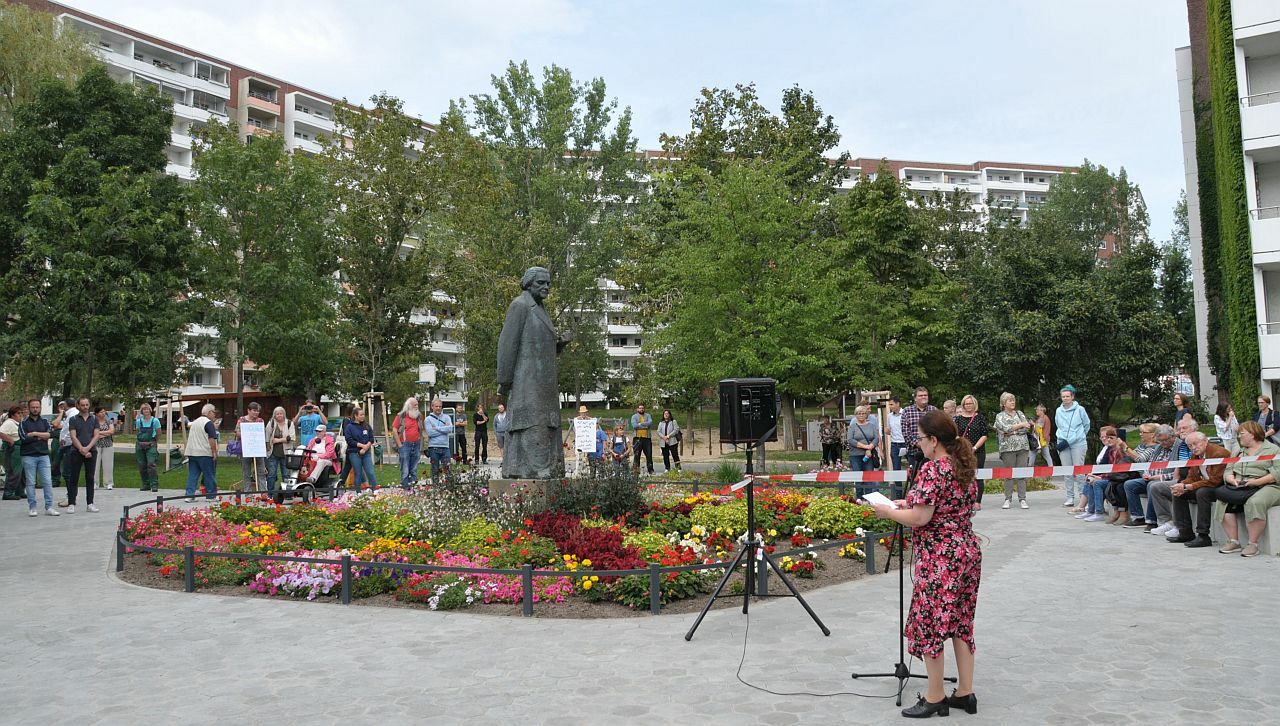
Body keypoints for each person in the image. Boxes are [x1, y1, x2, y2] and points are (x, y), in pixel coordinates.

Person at [870, 410, 981, 719]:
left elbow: (921, 518)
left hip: (940, 558)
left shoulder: (933, 469)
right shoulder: (963, 465)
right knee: (961, 623)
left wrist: (888, 511)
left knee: (930, 624)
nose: (917, 444)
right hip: (967, 552)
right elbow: (946, 505)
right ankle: (965, 693)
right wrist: (909, 504)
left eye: (919, 439)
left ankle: (934, 697)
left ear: (934, 440)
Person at [496, 266, 570, 479]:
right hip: (526, 381)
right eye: (541, 283)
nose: (546, 287)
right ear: (528, 284)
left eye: (548, 283)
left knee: (547, 423)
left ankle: (548, 467)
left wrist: (559, 344)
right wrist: (505, 380)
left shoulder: (541, 308)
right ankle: (533, 469)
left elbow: (538, 344)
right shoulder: (520, 306)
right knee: (532, 424)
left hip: (544, 381)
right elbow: (507, 346)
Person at [1217, 420, 1280, 557]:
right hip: (1241, 485)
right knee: (1223, 500)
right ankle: (1234, 541)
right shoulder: (1238, 451)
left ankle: (1253, 544)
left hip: (1268, 485)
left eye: (1242, 434)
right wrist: (1231, 479)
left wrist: (1257, 481)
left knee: (1255, 502)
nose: (1239, 437)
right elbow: (1228, 471)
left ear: (1252, 434)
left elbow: (1277, 473)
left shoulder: (1274, 449)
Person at [1166, 432, 1229, 548]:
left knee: (1202, 492)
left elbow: (1215, 481)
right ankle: (1185, 532)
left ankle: (1203, 535)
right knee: (1178, 493)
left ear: (1205, 441)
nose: (1193, 448)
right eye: (1190, 446)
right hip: (1204, 484)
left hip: (1219, 487)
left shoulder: (1219, 453)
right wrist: (1182, 485)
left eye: (1196, 444)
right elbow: (1192, 477)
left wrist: (1189, 486)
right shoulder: (1195, 456)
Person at [1146, 418, 1199, 538]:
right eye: (1179, 429)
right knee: (1156, 487)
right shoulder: (1183, 446)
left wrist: (1175, 480)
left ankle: (1178, 526)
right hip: (1182, 479)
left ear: (1194, 428)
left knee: (1174, 487)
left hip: (1195, 481)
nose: (1181, 431)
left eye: (1184, 428)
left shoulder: (1196, 443)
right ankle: (1166, 522)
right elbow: (1178, 467)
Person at [1079, 426, 1129, 522]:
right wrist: (1096, 475)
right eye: (1107, 437)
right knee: (1090, 480)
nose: (1108, 440)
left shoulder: (1121, 452)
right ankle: (1090, 510)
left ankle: (1099, 512)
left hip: (1118, 478)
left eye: (1111, 438)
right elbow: (1106, 468)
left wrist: (1100, 477)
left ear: (1118, 439)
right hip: (1110, 476)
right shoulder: (1110, 451)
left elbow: (1118, 472)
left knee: (1096, 483)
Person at [18, 399, 59, 516]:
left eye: (37, 407)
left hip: (43, 455)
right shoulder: (23, 423)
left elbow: (52, 434)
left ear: (40, 408)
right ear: (29, 408)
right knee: (31, 482)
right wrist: (42, 436)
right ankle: (32, 507)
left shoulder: (45, 421)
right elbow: (24, 438)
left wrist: (34, 433)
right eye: (33, 407)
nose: (35, 409)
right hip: (28, 456)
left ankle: (49, 507)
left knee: (47, 481)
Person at [1115, 423, 1160, 527]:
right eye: (1140, 432)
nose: (1140, 434)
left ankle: (1148, 519)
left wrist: (1125, 446)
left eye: (1143, 432)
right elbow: (1130, 456)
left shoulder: (1154, 447)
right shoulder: (1142, 446)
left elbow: (1139, 459)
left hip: (1152, 477)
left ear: (1152, 435)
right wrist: (1121, 448)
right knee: (1123, 484)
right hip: (1142, 476)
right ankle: (1137, 517)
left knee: (1135, 485)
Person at [993, 392, 1032, 510]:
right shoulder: (999, 416)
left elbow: (1026, 428)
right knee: (1008, 474)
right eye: (1010, 400)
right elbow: (1005, 429)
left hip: (1023, 447)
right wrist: (1019, 426)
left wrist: (1013, 430)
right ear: (1004, 403)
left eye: (1013, 400)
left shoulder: (1020, 413)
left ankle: (1022, 499)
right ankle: (1007, 499)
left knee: (1021, 474)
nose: (1012, 402)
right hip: (1007, 448)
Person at [1054, 385, 1091, 509]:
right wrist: (1062, 438)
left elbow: (1086, 425)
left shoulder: (1080, 409)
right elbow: (1058, 424)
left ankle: (1082, 497)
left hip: (1078, 443)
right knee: (1067, 471)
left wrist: (1078, 436)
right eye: (1063, 396)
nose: (1065, 398)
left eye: (1067, 396)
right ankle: (1070, 497)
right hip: (1063, 443)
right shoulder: (1058, 410)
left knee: (1079, 471)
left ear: (1072, 397)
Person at [64, 396, 100, 513]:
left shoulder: (94, 419)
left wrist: (88, 448)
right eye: (82, 405)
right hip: (76, 451)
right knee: (73, 478)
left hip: (91, 451)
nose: (85, 407)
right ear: (78, 406)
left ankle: (90, 503)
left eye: (87, 405)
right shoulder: (73, 419)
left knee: (90, 478)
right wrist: (81, 449)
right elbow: (73, 436)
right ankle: (71, 503)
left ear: (89, 405)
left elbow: (96, 435)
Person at [954, 395, 989, 508]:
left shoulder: (980, 418)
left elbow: (984, 435)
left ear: (974, 404)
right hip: (962, 451)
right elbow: (955, 435)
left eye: (970, 403)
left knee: (978, 475)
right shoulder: (958, 419)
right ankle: (964, 499)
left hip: (978, 451)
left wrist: (974, 448)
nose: (968, 406)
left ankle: (977, 501)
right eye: (966, 404)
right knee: (963, 475)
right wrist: (963, 446)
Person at [183, 403, 219, 503]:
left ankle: (189, 495)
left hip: (192, 452)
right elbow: (211, 438)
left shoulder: (194, 422)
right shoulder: (208, 423)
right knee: (209, 474)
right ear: (209, 412)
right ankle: (211, 495)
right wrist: (214, 451)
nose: (214, 415)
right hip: (204, 453)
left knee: (193, 475)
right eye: (214, 412)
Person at [901, 387, 937, 474]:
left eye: (925, 395)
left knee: (932, 477)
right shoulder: (907, 411)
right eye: (920, 395)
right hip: (914, 453)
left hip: (932, 452)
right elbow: (905, 432)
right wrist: (918, 444)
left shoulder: (934, 410)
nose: (923, 397)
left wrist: (929, 444)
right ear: (915, 398)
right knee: (915, 479)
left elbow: (938, 429)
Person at [235, 402, 267, 491]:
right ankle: (247, 492)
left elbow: (262, 433)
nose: (256, 413)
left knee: (261, 472)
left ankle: (263, 492)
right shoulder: (242, 420)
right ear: (248, 410)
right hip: (246, 449)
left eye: (258, 411)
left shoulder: (260, 421)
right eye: (254, 411)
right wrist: (247, 435)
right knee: (246, 472)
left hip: (258, 449)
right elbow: (237, 433)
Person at [392, 397, 424, 488]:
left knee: (414, 468)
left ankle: (413, 487)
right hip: (405, 444)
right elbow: (394, 430)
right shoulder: (401, 416)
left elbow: (421, 430)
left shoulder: (419, 416)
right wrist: (400, 445)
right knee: (405, 468)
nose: (417, 407)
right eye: (415, 405)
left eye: (417, 405)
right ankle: (405, 487)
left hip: (416, 444)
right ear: (409, 406)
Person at [846, 405, 881, 483]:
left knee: (869, 479)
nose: (861, 415)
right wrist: (866, 447)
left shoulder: (872, 426)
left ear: (866, 415)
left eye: (863, 413)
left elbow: (876, 439)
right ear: (855, 415)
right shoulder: (852, 427)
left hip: (869, 456)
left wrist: (870, 448)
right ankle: (859, 495)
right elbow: (850, 440)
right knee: (858, 480)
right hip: (855, 455)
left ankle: (868, 495)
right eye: (859, 413)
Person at [264, 407, 294, 494]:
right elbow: (267, 436)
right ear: (275, 415)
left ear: (284, 414)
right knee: (271, 475)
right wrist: (267, 445)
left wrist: (277, 440)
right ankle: (270, 493)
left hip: (286, 453)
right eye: (277, 414)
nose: (279, 415)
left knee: (286, 475)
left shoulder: (289, 423)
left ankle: (287, 493)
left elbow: (291, 438)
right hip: (273, 453)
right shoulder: (271, 423)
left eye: (281, 413)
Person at [135, 402, 162, 493]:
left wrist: (154, 442)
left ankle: (154, 484)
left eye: (147, 409)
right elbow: (138, 432)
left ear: (150, 410)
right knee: (142, 465)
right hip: (140, 445)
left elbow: (159, 433)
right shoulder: (139, 421)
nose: (146, 411)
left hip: (151, 444)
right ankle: (145, 484)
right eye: (144, 409)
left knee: (151, 464)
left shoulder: (155, 421)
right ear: (142, 411)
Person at [424, 399, 453, 479]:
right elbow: (430, 433)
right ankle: (435, 488)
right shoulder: (428, 419)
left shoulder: (446, 417)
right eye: (436, 406)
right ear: (432, 407)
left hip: (445, 447)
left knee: (448, 469)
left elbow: (450, 429)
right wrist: (444, 429)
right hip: (433, 447)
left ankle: (449, 487)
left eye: (440, 406)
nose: (438, 408)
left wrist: (436, 428)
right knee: (435, 470)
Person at [1, 405, 23, 500]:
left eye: (21, 413)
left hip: (20, 449)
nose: (20, 415)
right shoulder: (9, 423)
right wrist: (10, 440)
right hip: (13, 449)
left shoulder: (17, 423)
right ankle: (8, 493)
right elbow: (1, 432)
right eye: (18, 413)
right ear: (12, 415)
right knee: (14, 471)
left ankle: (19, 491)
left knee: (21, 472)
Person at [91, 407, 117, 490]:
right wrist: (105, 433)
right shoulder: (93, 422)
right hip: (96, 445)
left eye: (104, 411)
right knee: (95, 464)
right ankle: (95, 483)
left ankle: (108, 483)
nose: (103, 413)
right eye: (101, 412)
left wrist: (99, 433)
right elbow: (92, 433)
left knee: (108, 465)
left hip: (108, 445)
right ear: (97, 413)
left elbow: (111, 431)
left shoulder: (109, 421)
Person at [50, 399, 69, 488]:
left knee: (69, 461)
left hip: (68, 441)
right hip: (57, 441)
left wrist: (60, 427)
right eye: (61, 407)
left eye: (64, 406)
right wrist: (61, 414)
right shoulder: (56, 417)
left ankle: (69, 479)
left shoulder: (71, 416)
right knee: (55, 461)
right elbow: (55, 424)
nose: (63, 408)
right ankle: (55, 479)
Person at [630, 404, 654, 475]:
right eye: (640, 408)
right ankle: (636, 471)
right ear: (637, 409)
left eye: (642, 408)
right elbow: (634, 426)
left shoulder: (648, 415)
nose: (641, 409)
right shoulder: (634, 416)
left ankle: (651, 470)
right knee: (637, 455)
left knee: (649, 455)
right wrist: (644, 426)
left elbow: (649, 423)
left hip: (647, 438)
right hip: (637, 438)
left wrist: (640, 424)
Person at [886, 396, 906, 471]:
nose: (890, 407)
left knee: (912, 464)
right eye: (889, 405)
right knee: (896, 467)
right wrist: (887, 431)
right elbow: (889, 430)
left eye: (891, 404)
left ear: (897, 404)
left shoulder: (905, 413)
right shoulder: (889, 416)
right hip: (895, 444)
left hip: (905, 442)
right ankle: (898, 483)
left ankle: (912, 481)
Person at [1033, 404, 1054, 468]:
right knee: (1046, 455)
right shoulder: (1045, 417)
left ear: (1042, 410)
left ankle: (1030, 467)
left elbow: (1039, 428)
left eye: (1037, 409)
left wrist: (1033, 423)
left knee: (1032, 453)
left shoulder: (1042, 418)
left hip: (1041, 440)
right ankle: (1051, 468)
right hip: (1044, 439)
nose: (1036, 411)